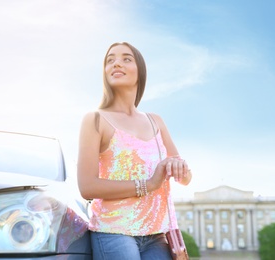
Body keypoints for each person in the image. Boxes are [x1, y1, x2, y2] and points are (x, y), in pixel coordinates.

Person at [77, 42, 192, 259]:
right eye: (110, 60)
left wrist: (180, 167)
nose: (116, 63)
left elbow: (185, 178)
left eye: (125, 58)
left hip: (157, 235)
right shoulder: (95, 120)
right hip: (114, 231)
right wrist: (149, 185)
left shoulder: (155, 121)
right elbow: (87, 186)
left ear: (140, 71)